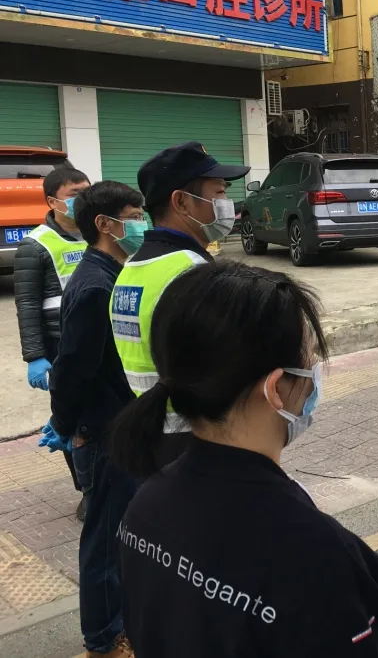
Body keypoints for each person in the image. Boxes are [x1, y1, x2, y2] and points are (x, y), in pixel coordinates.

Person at [109, 262, 378, 657]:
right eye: (310, 355)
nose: (315, 372)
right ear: (275, 388)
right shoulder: (317, 557)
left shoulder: (143, 508)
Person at [43, 182, 145, 657]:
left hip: (117, 427)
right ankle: (103, 640)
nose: (141, 223)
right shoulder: (95, 286)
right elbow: (70, 370)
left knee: (122, 534)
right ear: (105, 224)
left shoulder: (112, 274)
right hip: (103, 433)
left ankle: (122, 623)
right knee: (105, 542)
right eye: (135, 216)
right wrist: (69, 428)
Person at [111, 143, 248, 468]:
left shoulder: (130, 270)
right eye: (219, 192)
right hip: (199, 436)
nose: (226, 203)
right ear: (182, 202)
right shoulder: (192, 271)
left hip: (155, 431)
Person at [16, 166, 91, 517]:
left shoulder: (99, 233)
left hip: (102, 340)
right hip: (61, 348)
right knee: (72, 418)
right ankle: (86, 490)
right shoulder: (35, 245)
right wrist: (35, 355)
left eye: (87, 191)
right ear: (53, 202)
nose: (84, 200)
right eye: (75, 195)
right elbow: (27, 303)